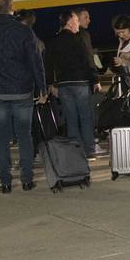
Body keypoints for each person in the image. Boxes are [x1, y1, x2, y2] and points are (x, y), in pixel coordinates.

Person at [0, 0, 46, 192]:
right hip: (22, 90)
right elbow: (35, 61)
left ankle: (5, 182)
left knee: (2, 137)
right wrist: (42, 87)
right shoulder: (23, 31)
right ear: (11, 6)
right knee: (24, 135)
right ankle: (27, 179)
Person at [46, 11, 99, 159]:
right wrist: (94, 79)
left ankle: (75, 150)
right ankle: (89, 150)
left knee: (71, 118)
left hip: (63, 85)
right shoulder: (78, 40)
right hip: (80, 82)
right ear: (69, 22)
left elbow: (48, 64)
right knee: (86, 117)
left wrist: (51, 83)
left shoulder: (53, 41)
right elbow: (88, 60)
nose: (78, 24)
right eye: (76, 21)